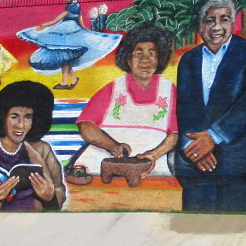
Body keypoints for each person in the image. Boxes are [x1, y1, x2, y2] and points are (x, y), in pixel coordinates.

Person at [175, 0, 246, 212]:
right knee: (194, 233)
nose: (217, 27)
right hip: (195, 167)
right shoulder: (188, 60)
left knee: (235, 233)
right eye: (210, 20)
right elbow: (184, 108)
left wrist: (213, 136)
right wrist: (192, 148)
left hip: (238, 166)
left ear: (233, 23)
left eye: (224, 19)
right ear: (200, 26)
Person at [75, 24, 178, 176]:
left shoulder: (169, 90)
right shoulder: (114, 88)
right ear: (128, 59)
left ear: (159, 58)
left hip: (151, 163)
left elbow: (175, 134)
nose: (145, 60)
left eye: (151, 53)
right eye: (138, 54)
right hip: (105, 160)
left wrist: (154, 155)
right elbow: (86, 126)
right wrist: (112, 146)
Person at [0, 81, 66, 211]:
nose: (21, 125)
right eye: (14, 117)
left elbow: (59, 188)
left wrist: (50, 197)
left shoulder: (44, 151)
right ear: (2, 117)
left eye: (28, 117)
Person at [17, 0, 121, 90]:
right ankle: (72, 80)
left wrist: (45, 24)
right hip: (70, 32)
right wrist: (84, 31)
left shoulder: (70, 7)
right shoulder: (77, 6)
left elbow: (57, 19)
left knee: (65, 58)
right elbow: (80, 21)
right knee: (65, 59)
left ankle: (65, 82)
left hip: (67, 32)